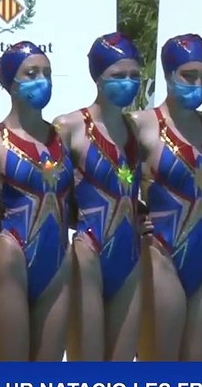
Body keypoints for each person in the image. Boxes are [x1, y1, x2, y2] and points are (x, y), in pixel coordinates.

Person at [133, 34, 202, 364]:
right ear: (168, 74)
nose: (199, 84)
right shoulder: (142, 125)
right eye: (189, 76)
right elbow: (118, 176)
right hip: (161, 254)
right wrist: (134, 210)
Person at [0, 42, 75, 363]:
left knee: (46, 381)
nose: (41, 80)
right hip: (11, 262)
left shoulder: (64, 138)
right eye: (31, 73)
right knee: (12, 380)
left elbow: (88, 199)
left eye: (46, 73)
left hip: (57, 262)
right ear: (10, 82)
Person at [55, 34, 147, 365]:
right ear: (97, 77)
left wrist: (146, 212)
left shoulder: (136, 128)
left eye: (134, 75)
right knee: (87, 368)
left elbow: (136, 184)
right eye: (118, 75)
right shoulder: (69, 127)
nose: (128, 82)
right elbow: (46, 191)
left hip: (130, 253)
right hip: (88, 253)